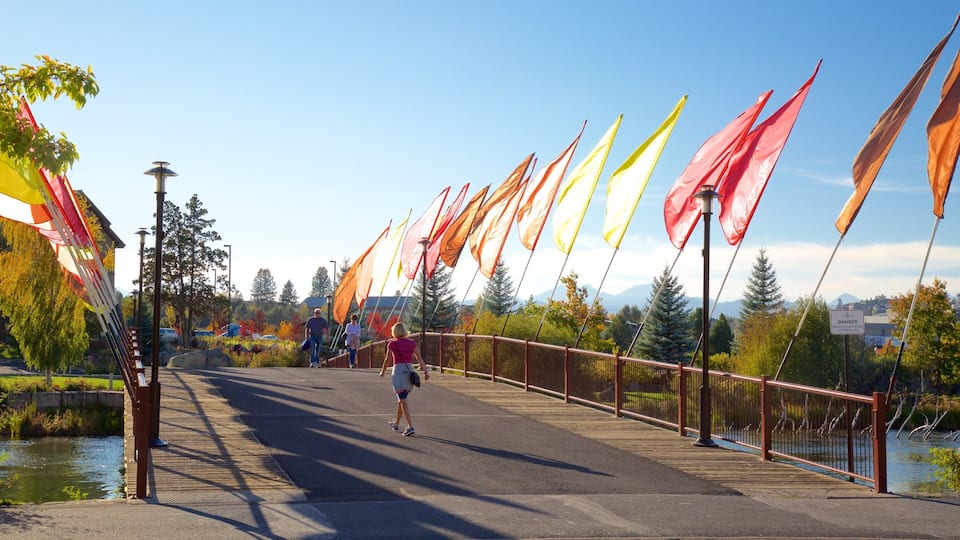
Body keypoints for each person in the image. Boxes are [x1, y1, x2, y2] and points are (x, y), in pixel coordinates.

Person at [378, 322, 428, 436]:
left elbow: (387, 359)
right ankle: (396, 423)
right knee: (401, 399)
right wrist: (426, 372)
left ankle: (410, 426)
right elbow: (419, 358)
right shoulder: (411, 343)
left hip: (399, 372)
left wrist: (383, 371)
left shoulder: (392, 343)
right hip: (410, 371)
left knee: (403, 400)